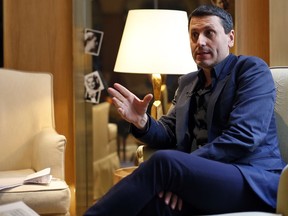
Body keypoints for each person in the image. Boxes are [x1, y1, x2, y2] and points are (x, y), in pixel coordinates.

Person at [84, 4, 286, 215]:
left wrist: (182, 171)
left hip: (252, 179)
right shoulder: (188, 83)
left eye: (209, 33)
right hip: (202, 179)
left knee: (164, 162)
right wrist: (142, 121)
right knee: (154, 206)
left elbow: (244, 136)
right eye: (194, 35)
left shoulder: (251, 70)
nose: (200, 42)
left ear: (230, 38)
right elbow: (168, 132)